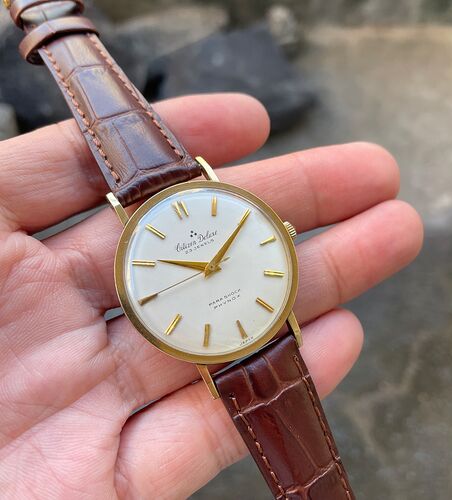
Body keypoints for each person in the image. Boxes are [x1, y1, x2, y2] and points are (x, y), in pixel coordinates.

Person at [0, 93, 423, 497]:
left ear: (284, 233)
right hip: (225, 347)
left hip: (259, 330)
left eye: (211, 265)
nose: (209, 268)